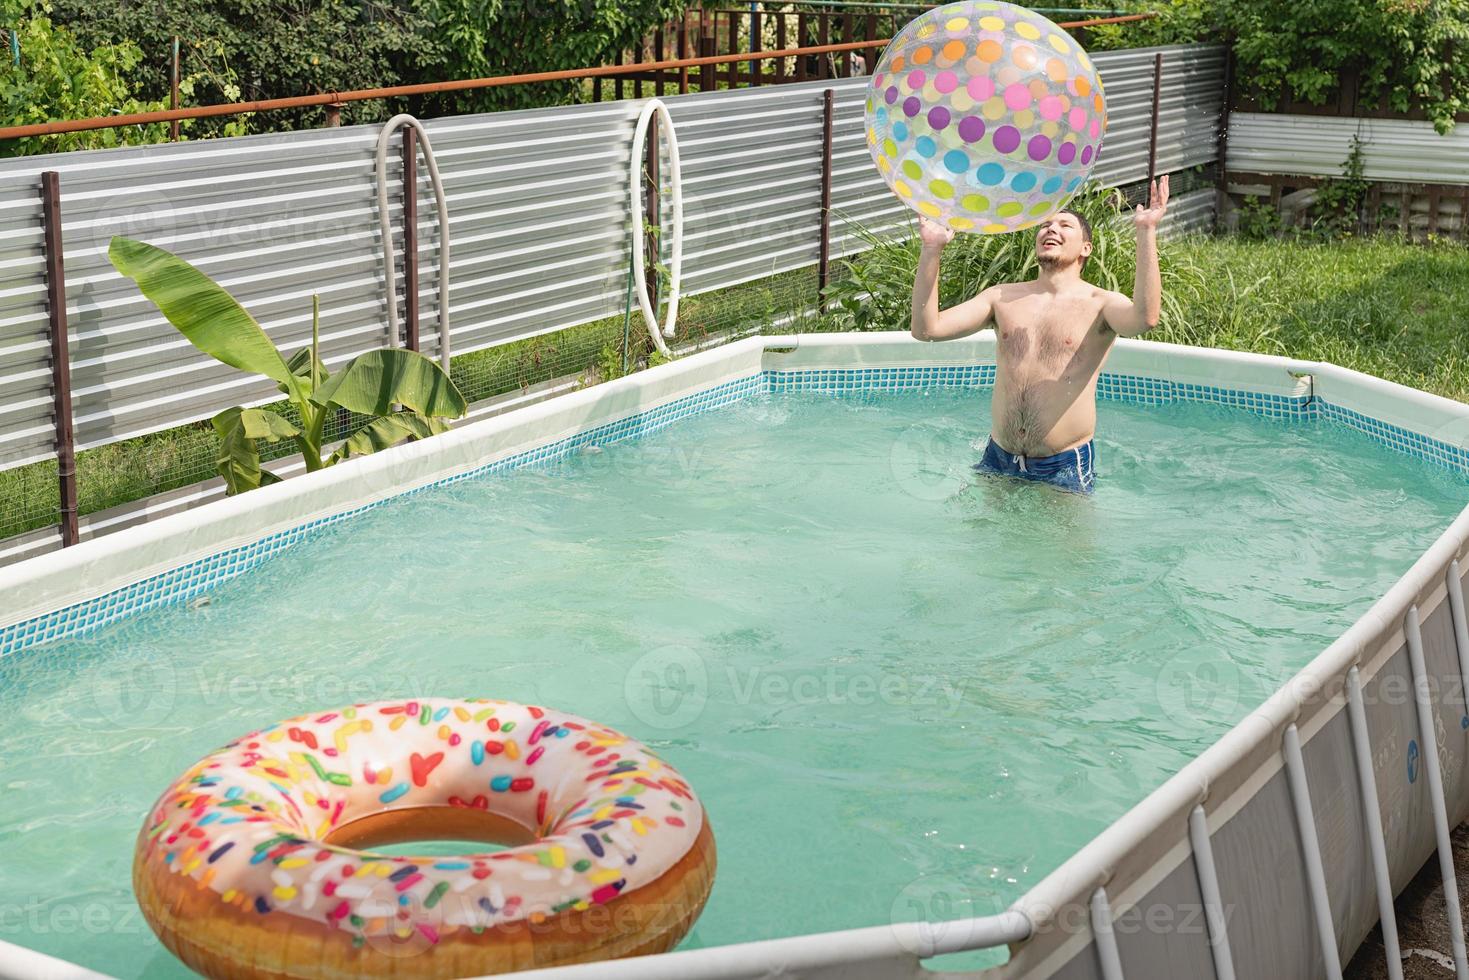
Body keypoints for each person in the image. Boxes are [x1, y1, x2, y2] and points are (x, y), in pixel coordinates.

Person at [909, 176, 1170, 494]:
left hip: (1064, 465)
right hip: (998, 459)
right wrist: (932, 249)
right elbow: (927, 329)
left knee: (1065, 546)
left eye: (1065, 225)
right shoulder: (1002, 297)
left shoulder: (1100, 304)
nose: (1051, 228)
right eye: (1045, 224)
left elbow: (1146, 318)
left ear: (1085, 248)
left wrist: (1146, 231)